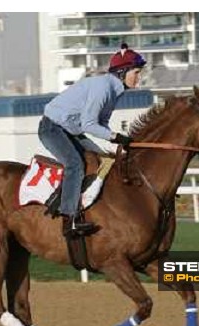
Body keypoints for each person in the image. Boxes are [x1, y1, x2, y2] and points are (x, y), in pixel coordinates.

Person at [38, 43, 146, 237]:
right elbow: (89, 124)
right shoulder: (104, 88)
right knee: (75, 164)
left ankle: (61, 198)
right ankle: (69, 220)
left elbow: (100, 123)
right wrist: (115, 136)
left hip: (70, 129)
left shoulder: (114, 92)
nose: (139, 77)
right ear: (122, 72)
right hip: (52, 128)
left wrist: (118, 140)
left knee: (104, 160)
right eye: (136, 72)